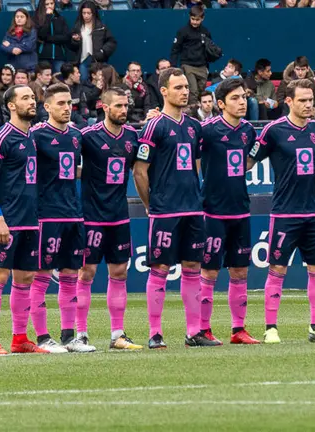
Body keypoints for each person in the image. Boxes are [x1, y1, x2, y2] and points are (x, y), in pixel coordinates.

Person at [247, 79, 315, 343]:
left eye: (311, 100)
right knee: (277, 270)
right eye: (302, 100)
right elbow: (248, 160)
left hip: (313, 212)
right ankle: (270, 328)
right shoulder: (273, 130)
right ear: (288, 101)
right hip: (284, 213)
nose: (308, 105)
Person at [134, 68, 218, 349]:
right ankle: (155, 333)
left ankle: (194, 332)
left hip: (193, 209)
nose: (185, 91)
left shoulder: (194, 126)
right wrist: (151, 205)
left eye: (186, 87)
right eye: (178, 87)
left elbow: (195, 166)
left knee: (193, 266)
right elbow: (140, 171)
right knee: (160, 267)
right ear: (164, 92)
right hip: (165, 210)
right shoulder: (154, 125)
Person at [0, 85, 48, 355]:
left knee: (26, 278)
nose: (32, 101)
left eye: (33, 97)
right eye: (25, 98)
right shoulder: (1, 138)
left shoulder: (32, 136)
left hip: (30, 220)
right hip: (6, 222)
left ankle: (20, 339)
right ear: (10, 105)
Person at [26, 84, 93, 353]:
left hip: (73, 214)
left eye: (70, 104)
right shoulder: (36, 135)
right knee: (41, 275)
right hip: (46, 215)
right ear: (47, 107)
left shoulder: (77, 136)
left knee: (69, 274)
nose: (67, 108)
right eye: (61, 104)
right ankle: (43, 338)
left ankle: (68, 337)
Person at [77, 87, 143, 351]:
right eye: (118, 106)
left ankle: (117, 334)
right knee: (87, 272)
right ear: (104, 107)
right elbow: (67, 163)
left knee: (119, 272)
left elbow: (140, 170)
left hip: (119, 216)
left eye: (126, 105)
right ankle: (80, 333)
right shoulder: (87, 137)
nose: (124, 110)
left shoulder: (132, 137)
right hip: (91, 215)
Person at [197, 79, 261, 345]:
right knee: (209, 272)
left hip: (241, 210)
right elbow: (194, 159)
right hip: (212, 211)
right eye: (235, 98)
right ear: (221, 104)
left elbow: (249, 160)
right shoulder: (207, 130)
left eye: (244, 97)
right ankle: (202, 329)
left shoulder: (249, 131)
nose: (242, 102)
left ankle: (238, 330)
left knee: (239, 272)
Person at [170, 6, 212, 106]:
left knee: (202, 92)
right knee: (193, 92)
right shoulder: (183, 31)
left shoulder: (205, 32)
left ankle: (201, 117)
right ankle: (193, 116)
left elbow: (208, 49)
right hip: (188, 65)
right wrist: (174, 66)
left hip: (202, 66)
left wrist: (207, 66)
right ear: (189, 17)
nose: (195, 22)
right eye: (193, 19)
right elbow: (175, 49)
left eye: (197, 20)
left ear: (202, 18)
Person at [70, 1, 117, 82]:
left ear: (93, 13)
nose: (86, 15)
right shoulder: (77, 27)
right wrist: (75, 41)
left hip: (97, 61)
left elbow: (112, 42)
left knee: (99, 82)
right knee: (83, 79)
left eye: (88, 13)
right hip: (83, 60)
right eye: (84, 13)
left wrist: (102, 52)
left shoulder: (101, 27)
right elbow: (72, 46)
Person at [34, 0, 70, 73]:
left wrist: (48, 38)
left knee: (60, 80)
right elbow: (41, 35)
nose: (50, 6)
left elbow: (66, 37)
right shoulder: (37, 18)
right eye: (47, 4)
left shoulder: (60, 18)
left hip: (59, 56)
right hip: (44, 56)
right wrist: (48, 17)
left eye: (52, 3)